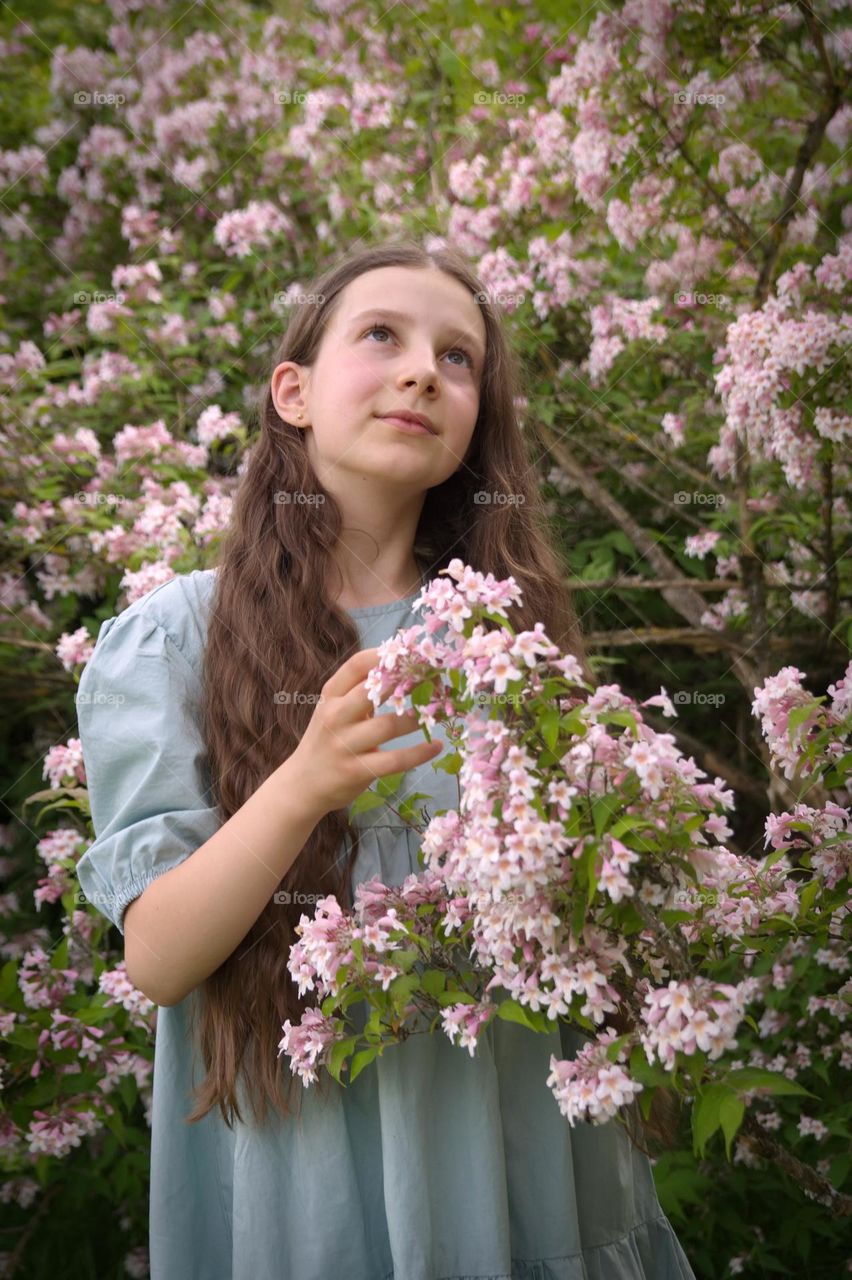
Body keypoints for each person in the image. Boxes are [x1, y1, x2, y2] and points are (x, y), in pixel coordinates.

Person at [76, 238, 696, 1279]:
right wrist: (307, 780)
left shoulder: (504, 634)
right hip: (313, 1172)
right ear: (295, 391)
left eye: (459, 359)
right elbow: (161, 956)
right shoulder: (176, 636)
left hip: (517, 1152)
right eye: (382, 336)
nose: (424, 370)